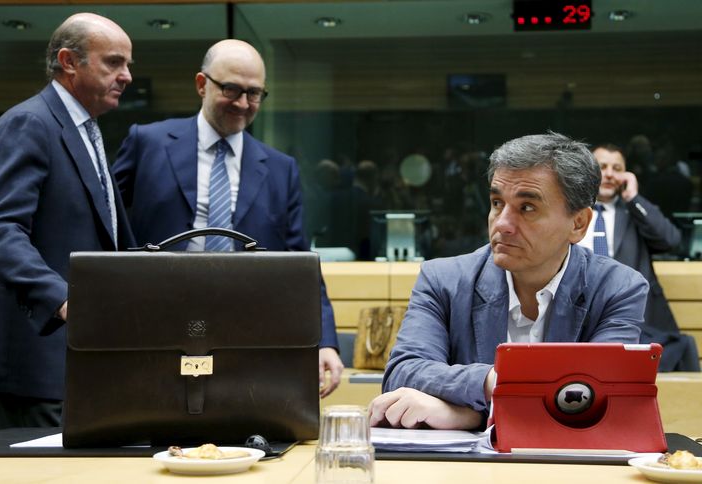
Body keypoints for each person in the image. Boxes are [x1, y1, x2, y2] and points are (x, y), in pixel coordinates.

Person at [368, 132, 649, 430]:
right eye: (497, 202)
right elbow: (403, 371)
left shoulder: (618, 288)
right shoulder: (443, 279)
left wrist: (470, 415)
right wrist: (493, 381)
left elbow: (599, 401)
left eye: (527, 208)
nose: (502, 223)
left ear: (578, 224)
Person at [112, 39, 344, 397]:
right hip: (153, 324)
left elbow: (302, 264)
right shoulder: (148, 143)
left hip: (246, 333)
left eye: (254, 94)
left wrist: (324, 341)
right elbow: (104, 220)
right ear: (202, 84)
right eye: (232, 89)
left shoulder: (281, 169)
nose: (243, 104)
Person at [0, 13, 135, 428]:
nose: (126, 76)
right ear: (69, 61)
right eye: (114, 63)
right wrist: (65, 299)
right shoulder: (28, 123)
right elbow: (0, 233)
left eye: (128, 65)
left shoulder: (89, 130)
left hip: (87, 362)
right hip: (40, 362)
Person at [578, 144, 699, 371]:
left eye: (617, 168)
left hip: (634, 320)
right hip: (580, 315)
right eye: (602, 167)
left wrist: (633, 198)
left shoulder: (633, 212)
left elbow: (671, 240)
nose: (610, 173)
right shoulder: (571, 213)